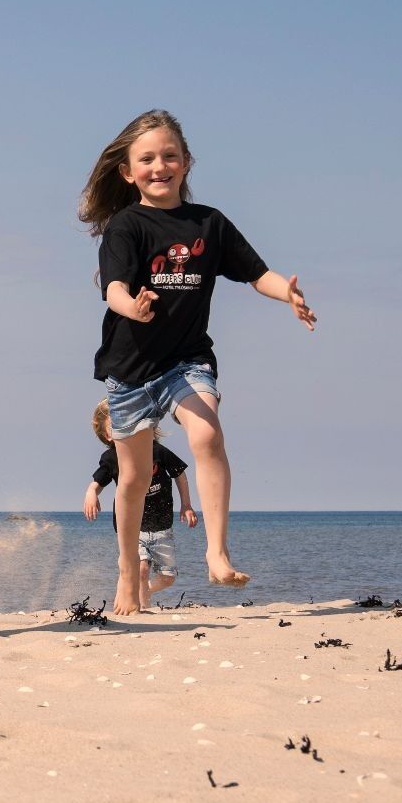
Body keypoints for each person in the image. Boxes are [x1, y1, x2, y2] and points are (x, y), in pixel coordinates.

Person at [81, 108, 316, 614]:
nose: (159, 166)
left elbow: (256, 273)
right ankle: (127, 574)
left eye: (169, 156)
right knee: (135, 478)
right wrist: (133, 307)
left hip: (187, 359)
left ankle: (216, 551)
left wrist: (288, 295)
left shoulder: (208, 223)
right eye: (147, 159)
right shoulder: (127, 225)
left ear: (187, 162)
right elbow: (115, 289)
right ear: (128, 171)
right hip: (131, 368)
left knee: (207, 433)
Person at [81, 400, 198, 595]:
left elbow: (179, 474)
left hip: (162, 527)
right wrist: (91, 492)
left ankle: (143, 593)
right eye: (116, 425)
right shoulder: (112, 457)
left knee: (168, 578)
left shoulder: (157, 451)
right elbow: (99, 480)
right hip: (131, 526)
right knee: (141, 568)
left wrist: (186, 505)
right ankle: (139, 606)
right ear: (108, 435)